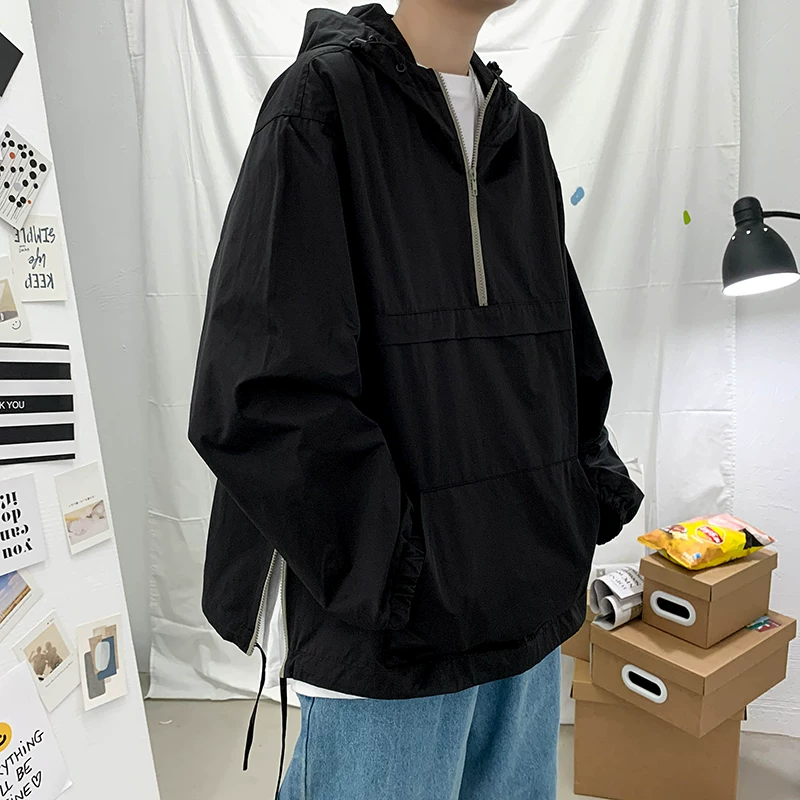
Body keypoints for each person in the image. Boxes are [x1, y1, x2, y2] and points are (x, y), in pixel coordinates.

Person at [189, 2, 644, 798]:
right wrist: (395, 568)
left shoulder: (519, 135)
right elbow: (258, 384)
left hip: (528, 617)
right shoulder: (321, 103)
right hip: (394, 641)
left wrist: (575, 503)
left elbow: (562, 354)